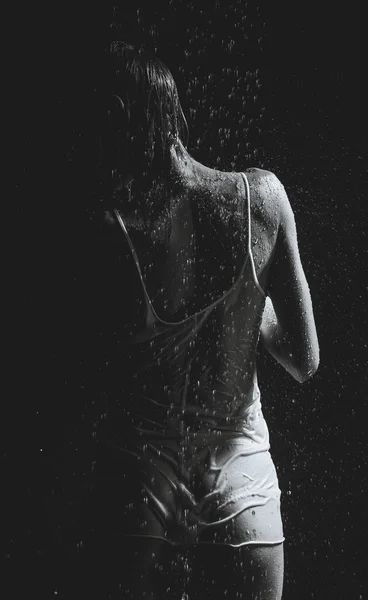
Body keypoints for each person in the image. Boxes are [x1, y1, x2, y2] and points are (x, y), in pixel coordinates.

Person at [86, 41, 319, 600]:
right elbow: (304, 361)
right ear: (176, 118)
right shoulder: (262, 201)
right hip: (242, 479)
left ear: (120, 127)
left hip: (138, 480)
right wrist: (248, 295)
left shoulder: (111, 232)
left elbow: (99, 380)